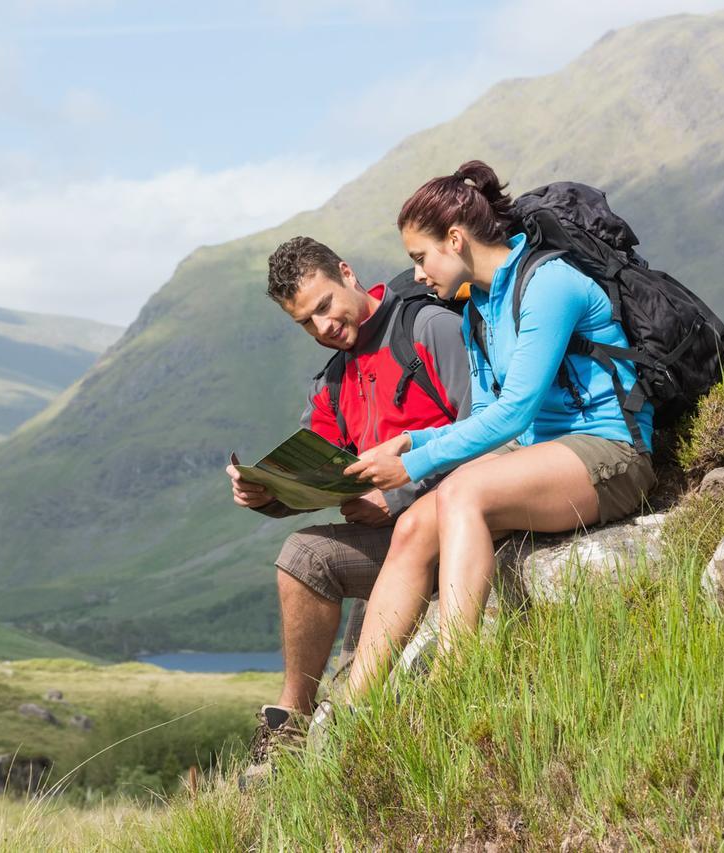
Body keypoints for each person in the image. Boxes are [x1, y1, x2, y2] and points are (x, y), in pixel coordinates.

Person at [340, 160, 657, 698]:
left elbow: (516, 411)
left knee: (461, 490)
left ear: (456, 240)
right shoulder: (478, 310)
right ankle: (357, 708)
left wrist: (412, 465)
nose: (417, 275)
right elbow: (486, 419)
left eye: (421, 258)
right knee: (416, 525)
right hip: (542, 453)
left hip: (611, 452)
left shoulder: (549, 285)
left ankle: (453, 683)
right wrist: (415, 441)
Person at [226, 236, 470, 779]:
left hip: (463, 527)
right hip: (395, 543)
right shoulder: (334, 380)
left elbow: (494, 431)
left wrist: (400, 494)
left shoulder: (429, 328)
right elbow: (317, 476)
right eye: (305, 324)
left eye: (324, 307)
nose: (322, 329)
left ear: (346, 273)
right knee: (301, 555)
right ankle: (289, 729)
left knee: (309, 556)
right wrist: (268, 495)